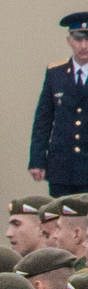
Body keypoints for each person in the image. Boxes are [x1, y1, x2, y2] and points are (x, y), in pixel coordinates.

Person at [29, 13, 88, 195]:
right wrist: (37, 160)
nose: (84, 46)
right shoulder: (56, 73)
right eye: (78, 40)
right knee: (60, 219)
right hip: (62, 167)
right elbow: (44, 120)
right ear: (69, 40)